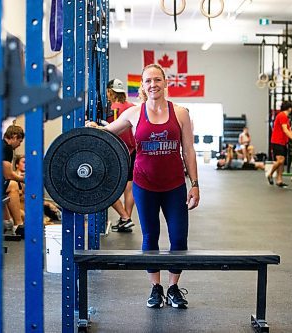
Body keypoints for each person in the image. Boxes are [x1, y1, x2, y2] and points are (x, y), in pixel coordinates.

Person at [88, 64, 200, 309]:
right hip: (144, 185)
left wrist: (195, 184)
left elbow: (189, 150)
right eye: (148, 81)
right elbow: (108, 132)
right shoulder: (133, 113)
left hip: (174, 186)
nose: (153, 84)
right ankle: (155, 287)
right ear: (142, 85)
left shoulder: (180, 113)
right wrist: (94, 129)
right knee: (150, 236)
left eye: (157, 80)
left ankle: (173, 288)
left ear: (165, 82)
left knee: (179, 238)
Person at [106, 79, 137, 232]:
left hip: (116, 151)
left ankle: (125, 217)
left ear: (110, 92)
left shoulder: (110, 109)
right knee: (129, 186)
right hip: (133, 150)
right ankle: (127, 218)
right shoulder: (132, 107)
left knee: (106, 186)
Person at [13, 155, 61, 223]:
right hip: (20, 212)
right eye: (24, 162)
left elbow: (35, 196)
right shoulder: (13, 179)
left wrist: (47, 203)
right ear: (17, 165)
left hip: (30, 209)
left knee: (56, 209)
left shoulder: (29, 178)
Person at [266, 101, 292, 188]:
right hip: (277, 141)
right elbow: (285, 130)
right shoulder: (282, 116)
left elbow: (289, 130)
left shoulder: (285, 117)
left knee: (282, 162)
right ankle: (270, 174)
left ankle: (279, 180)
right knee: (280, 161)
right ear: (290, 108)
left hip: (282, 141)